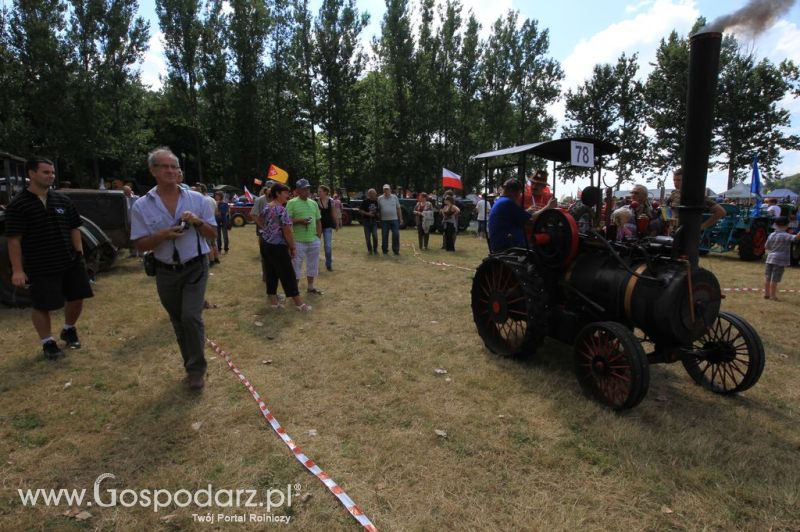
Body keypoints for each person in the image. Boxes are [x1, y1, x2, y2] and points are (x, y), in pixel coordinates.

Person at [130, 147, 217, 390]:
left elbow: (213, 234)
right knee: (179, 320)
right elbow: (139, 243)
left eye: (174, 166)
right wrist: (162, 235)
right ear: (153, 171)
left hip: (196, 266)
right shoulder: (141, 206)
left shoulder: (197, 200)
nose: (170, 171)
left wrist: (197, 222)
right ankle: (190, 364)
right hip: (165, 270)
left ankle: (197, 369)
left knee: (191, 316)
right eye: (164, 166)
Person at [5, 157, 94, 360]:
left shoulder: (62, 200)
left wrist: (79, 253)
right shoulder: (18, 205)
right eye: (46, 172)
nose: (51, 176)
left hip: (69, 260)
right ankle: (48, 342)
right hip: (40, 264)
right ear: (31, 174)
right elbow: (14, 240)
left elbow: (74, 228)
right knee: (42, 305)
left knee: (77, 297)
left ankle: (69, 329)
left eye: (52, 172)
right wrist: (18, 270)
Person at [258, 183, 311, 311]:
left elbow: (259, 219)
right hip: (277, 246)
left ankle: (274, 303)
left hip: (265, 243)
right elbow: (287, 230)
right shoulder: (281, 209)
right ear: (278, 193)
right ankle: (299, 304)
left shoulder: (267, 206)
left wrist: (268, 231)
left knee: (271, 273)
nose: (288, 195)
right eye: (285, 193)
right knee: (288, 274)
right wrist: (292, 247)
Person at [488, 178, 556, 253]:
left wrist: (527, 212)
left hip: (501, 243)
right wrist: (548, 207)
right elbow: (530, 220)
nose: (519, 196)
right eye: (519, 193)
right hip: (508, 246)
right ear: (511, 191)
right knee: (542, 251)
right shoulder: (507, 203)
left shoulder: (501, 201)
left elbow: (516, 218)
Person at [286, 178, 323, 294]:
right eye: (304, 189)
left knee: (313, 264)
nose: (307, 191)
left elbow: (318, 220)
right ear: (297, 190)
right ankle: (294, 290)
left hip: (313, 240)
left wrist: (318, 236)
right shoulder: (291, 203)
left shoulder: (313, 203)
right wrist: (300, 221)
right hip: (298, 240)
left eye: (308, 188)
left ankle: (311, 287)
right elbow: (287, 221)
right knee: (296, 265)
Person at [667, 168, 725, 232]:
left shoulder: (696, 195)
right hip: (675, 231)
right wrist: (670, 224)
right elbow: (667, 209)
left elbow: (721, 212)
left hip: (689, 233)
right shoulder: (674, 194)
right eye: (674, 180)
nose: (675, 183)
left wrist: (702, 226)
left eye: (679, 180)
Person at [764, 216, 800, 300]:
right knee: (775, 278)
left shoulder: (771, 235)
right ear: (786, 225)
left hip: (770, 258)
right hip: (780, 260)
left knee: (767, 277)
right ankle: (773, 295)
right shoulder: (786, 235)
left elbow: (766, 246)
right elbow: (796, 238)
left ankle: (766, 294)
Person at [316, 185, 339, 271]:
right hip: (318, 226)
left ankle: (328, 264)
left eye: (320, 191)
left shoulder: (331, 201)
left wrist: (336, 223)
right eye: (318, 191)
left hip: (328, 226)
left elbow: (333, 213)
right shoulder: (316, 202)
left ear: (325, 192)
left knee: (328, 246)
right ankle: (315, 265)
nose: (318, 193)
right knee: (316, 246)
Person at [378, 184, 403, 255]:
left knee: (396, 234)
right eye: (385, 189)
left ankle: (396, 250)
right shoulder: (379, 198)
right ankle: (385, 251)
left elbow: (398, 208)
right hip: (384, 220)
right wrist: (379, 219)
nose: (386, 191)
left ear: (390, 190)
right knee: (384, 235)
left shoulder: (394, 197)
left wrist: (400, 218)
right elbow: (379, 210)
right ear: (383, 190)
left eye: (387, 189)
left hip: (394, 219)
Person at [359, 188, 380, 254]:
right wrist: (368, 214)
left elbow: (378, 211)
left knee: (375, 236)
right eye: (371, 193)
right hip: (366, 221)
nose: (373, 194)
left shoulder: (377, 202)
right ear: (369, 194)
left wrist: (378, 215)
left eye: (374, 193)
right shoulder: (365, 201)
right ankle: (370, 250)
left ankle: (375, 250)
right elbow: (360, 210)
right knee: (367, 237)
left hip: (374, 221)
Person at [123, 185, 141, 258]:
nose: (126, 192)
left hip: (137, 221)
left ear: (130, 190)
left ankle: (140, 252)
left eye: (127, 190)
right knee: (130, 237)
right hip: (127, 221)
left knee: (139, 236)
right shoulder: (123, 199)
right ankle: (133, 253)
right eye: (125, 191)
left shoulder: (137, 198)